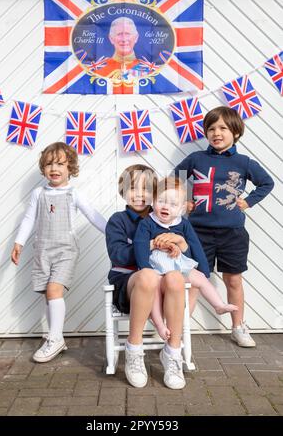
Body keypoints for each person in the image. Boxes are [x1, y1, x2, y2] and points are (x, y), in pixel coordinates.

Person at [175, 106, 274, 347]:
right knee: (195, 279)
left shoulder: (244, 162)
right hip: (198, 232)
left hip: (233, 233)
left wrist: (248, 201)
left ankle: (238, 327)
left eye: (223, 128)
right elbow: (172, 179)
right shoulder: (196, 159)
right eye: (211, 128)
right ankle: (181, 329)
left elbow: (267, 183)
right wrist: (182, 201)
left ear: (236, 133)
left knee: (233, 280)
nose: (216, 133)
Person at [11, 142, 106, 362]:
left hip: (65, 250)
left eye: (60, 164)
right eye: (49, 164)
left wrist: (114, 233)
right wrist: (19, 242)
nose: (54, 168)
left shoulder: (74, 194)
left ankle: (54, 340)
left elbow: (93, 215)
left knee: (54, 290)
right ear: (43, 168)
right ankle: (57, 335)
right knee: (48, 294)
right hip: (43, 250)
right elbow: (28, 219)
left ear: (70, 167)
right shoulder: (38, 193)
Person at [105, 165, 186, 390]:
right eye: (133, 187)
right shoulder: (118, 220)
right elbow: (118, 255)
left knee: (176, 279)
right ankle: (134, 348)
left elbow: (185, 253)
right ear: (123, 190)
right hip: (128, 283)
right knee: (148, 275)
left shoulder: (165, 217)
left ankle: (172, 353)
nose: (140, 194)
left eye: (146, 189)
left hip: (162, 284)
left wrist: (178, 244)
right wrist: (147, 244)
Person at [134, 177, 238, 341]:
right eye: (161, 201)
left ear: (182, 208)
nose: (166, 206)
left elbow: (195, 246)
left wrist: (204, 270)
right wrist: (144, 267)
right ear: (153, 202)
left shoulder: (183, 224)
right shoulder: (147, 223)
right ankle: (160, 325)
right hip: (157, 269)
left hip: (179, 265)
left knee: (200, 279)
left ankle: (218, 305)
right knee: (153, 290)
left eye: (173, 204)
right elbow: (139, 246)